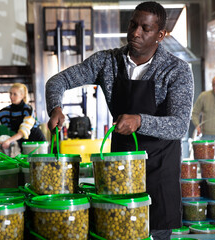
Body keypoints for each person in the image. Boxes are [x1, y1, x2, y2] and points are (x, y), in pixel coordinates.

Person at [45, 2, 194, 239]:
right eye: (133, 24)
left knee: (156, 233)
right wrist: (55, 107)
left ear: (161, 35)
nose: (135, 33)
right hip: (119, 169)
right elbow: (57, 81)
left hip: (160, 169)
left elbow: (179, 126)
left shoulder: (176, 70)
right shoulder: (107, 62)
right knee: (118, 229)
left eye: (145, 28)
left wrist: (140, 121)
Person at [0, 83, 46, 149]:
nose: (11, 96)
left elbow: (23, 131)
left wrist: (8, 141)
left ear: (22, 95)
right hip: (23, 143)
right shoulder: (7, 111)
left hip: (38, 143)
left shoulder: (28, 109)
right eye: (10, 94)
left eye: (15, 94)